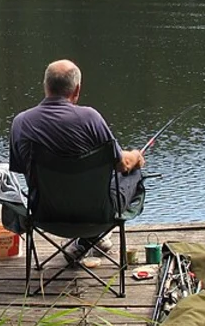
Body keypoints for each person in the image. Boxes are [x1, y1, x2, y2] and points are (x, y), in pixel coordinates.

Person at [8, 60, 145, 260]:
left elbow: (20, 168)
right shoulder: (91, 118)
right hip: (96, 216)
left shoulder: (21, 122)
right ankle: (90, 238)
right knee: (132, 171)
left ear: (45, 86)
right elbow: (122, 164)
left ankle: (85, 242)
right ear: (77, 89)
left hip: (44, 214)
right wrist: (135, 156)